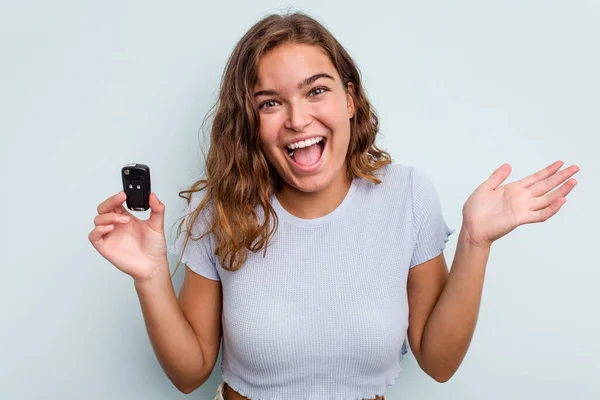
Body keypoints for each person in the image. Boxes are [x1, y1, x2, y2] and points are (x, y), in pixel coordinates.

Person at [88, 11, 579, 400]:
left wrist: (474, 242)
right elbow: (189, 373)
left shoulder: (406, 196)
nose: (298, 119)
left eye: (316, 90)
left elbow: (439, 361)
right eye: (270, 102)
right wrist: (151, 277)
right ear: (250, 122)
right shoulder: (227, 210)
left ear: (348, 99)